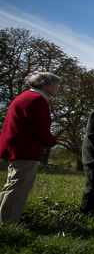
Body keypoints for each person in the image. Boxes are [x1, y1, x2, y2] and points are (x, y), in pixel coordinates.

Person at [0, 72, 60, 224]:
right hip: (25, 149)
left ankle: (4, 218)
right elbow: (39, 126)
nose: (58, 88)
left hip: (18, 148)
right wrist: (51, 141)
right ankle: (7, 223)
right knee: (19, 187)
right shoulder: (35, 100)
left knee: (12, 185)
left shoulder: (26, 97)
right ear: (43, 84)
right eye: (56, 84)